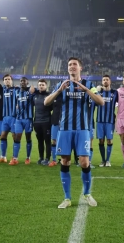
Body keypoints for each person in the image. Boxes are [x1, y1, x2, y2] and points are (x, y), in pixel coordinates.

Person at [44, 57, 104, 209]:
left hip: (83, 129)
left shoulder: (89, 84)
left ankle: (87, 194)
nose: (72, 67)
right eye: (69, 64)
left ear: (80, 68)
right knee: (65, 161)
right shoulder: (61, 84)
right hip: (64, 129)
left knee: (84, 162)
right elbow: (46, 102)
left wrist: (86, 90)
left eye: (74, 65)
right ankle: (67, 198)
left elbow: (101, 101)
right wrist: (59, 90)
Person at [10, 77, 34, 165]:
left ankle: (28, 157)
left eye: (24, 81)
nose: (22, 82)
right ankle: (15, 158)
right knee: (17, 137)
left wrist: (32, 89)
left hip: (28, 119)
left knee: (28, 138)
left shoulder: (30, 92)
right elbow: (15, 103)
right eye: (21, 81)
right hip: (18, 119)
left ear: (27, 82)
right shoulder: (17, 92)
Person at [0, 74, 18, 164]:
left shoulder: (16, 89)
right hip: (4, 118)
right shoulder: (2, 89)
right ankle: (3, 157)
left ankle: (15, 158)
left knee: (15, 137)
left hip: (13, 117)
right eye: (5, 79)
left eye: (8, 79)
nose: (7, 80)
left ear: (12, 80)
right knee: (3, 136)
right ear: (3, 81)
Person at [96, 75, 118, 167]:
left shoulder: (115, 92)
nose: (105, 81)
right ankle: (103, 160)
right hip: (100, 121)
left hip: (110, 121)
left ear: (110, 81)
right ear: (102, 82)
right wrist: (96, 90)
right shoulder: (98, 93)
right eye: (103, 80)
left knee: (109, 140)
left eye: (107, 80)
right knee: (101, 141)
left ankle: (108, 160)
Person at [33, 79, 52, 165]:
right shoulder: (35, 95)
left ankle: (47, 158)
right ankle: (41, 157)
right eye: (40, 85)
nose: (41, 86)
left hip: (46, 121)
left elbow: (52, 107)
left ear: (46, 86)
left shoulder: (49, 95)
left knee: (47, 141)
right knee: (40, 141)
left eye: (43, 85)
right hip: (37, 122)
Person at [49, 92, 62, 166]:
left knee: (65, 141)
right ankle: (54, 160)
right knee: (54, 140)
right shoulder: (53, 97)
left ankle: (64, 159)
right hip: (55, 121)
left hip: (65, 122)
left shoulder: (66, 95)